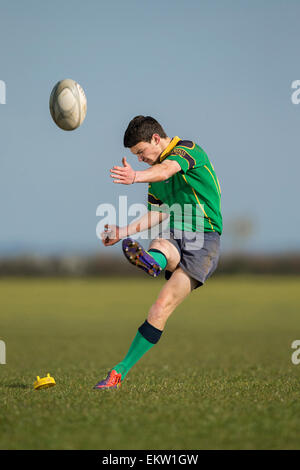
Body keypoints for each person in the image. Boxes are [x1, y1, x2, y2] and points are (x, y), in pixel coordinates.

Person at [93, 115, 222, 389]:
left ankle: (153, 261)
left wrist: (135, 177)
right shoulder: (154, 176)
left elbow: (165, 170)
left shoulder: (187, 150)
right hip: (176, 233)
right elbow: (155, 213)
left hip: (205, 238)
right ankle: (117, 374)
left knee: (161, 301)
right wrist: (121, 232)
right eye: (136, 156)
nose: (140, 159)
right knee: (161, 255)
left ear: (155, 139)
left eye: (141, 152)